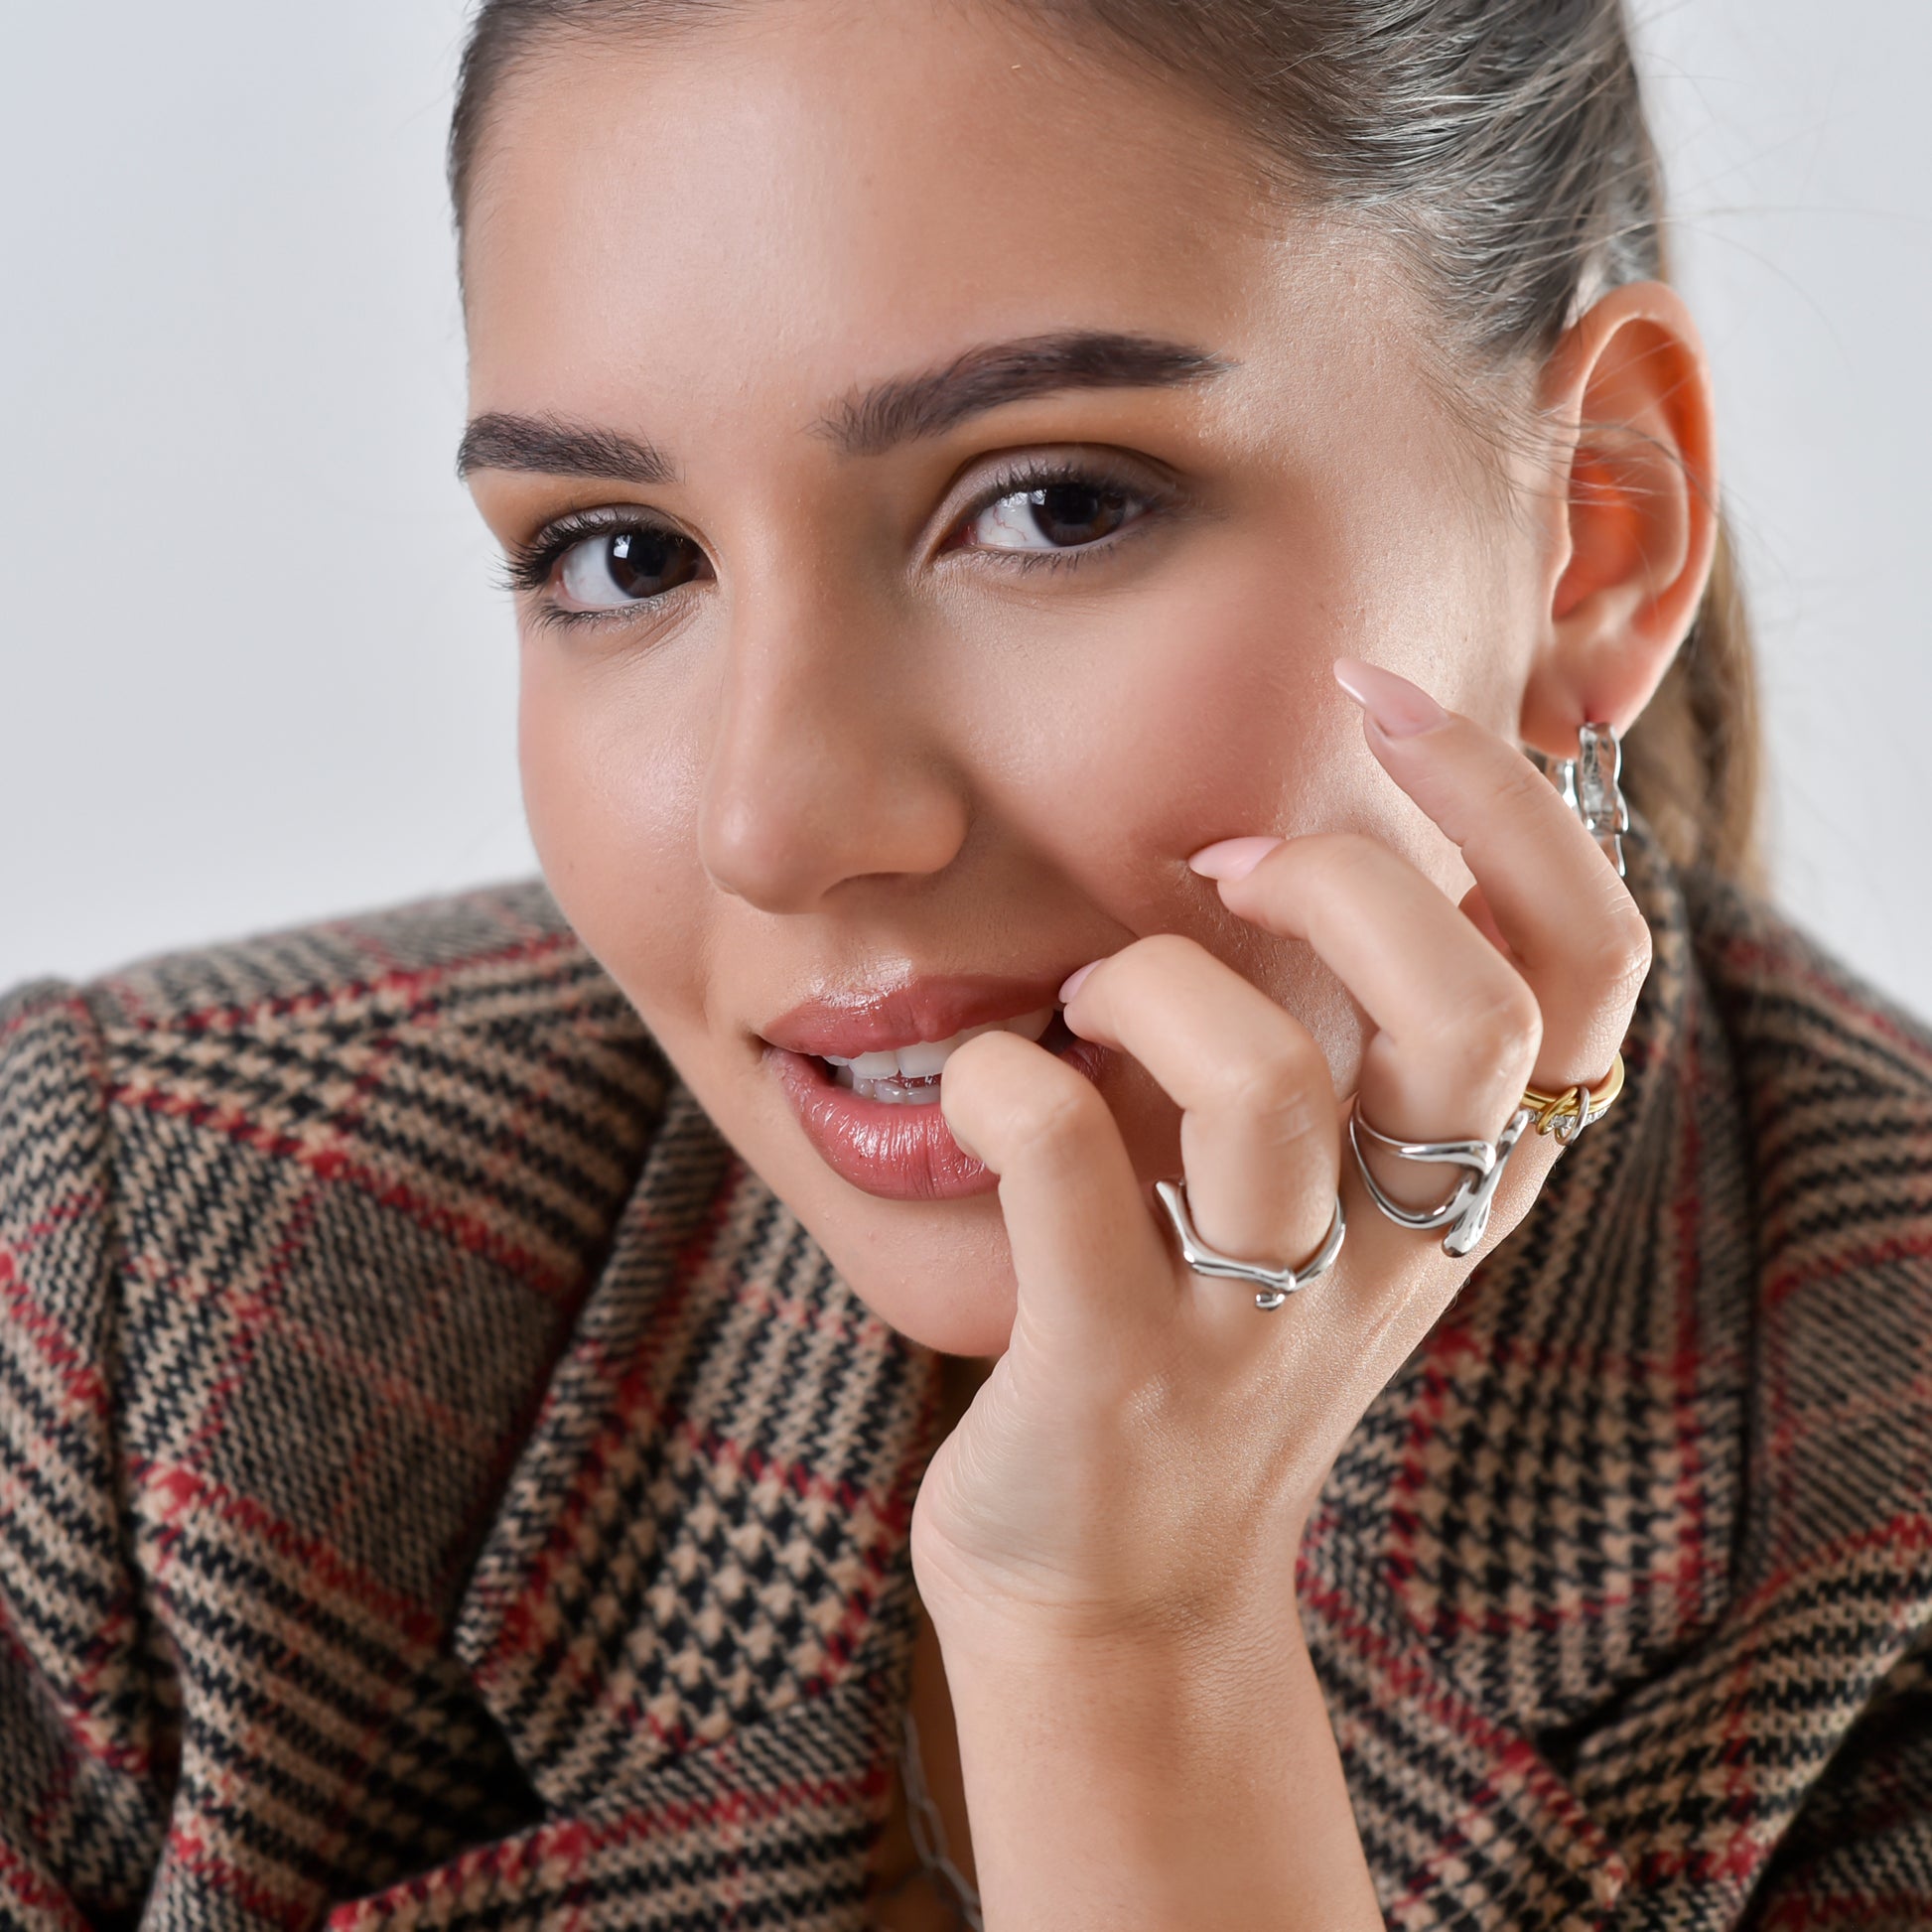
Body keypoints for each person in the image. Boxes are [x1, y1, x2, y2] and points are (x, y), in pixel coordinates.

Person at [3, 0, 1929, 1925]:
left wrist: (1126, 1644)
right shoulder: (130, 1308)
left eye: (1051, 507)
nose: (777, 819)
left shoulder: (1878, 1565)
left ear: (1591, 529)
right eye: (620, 555)